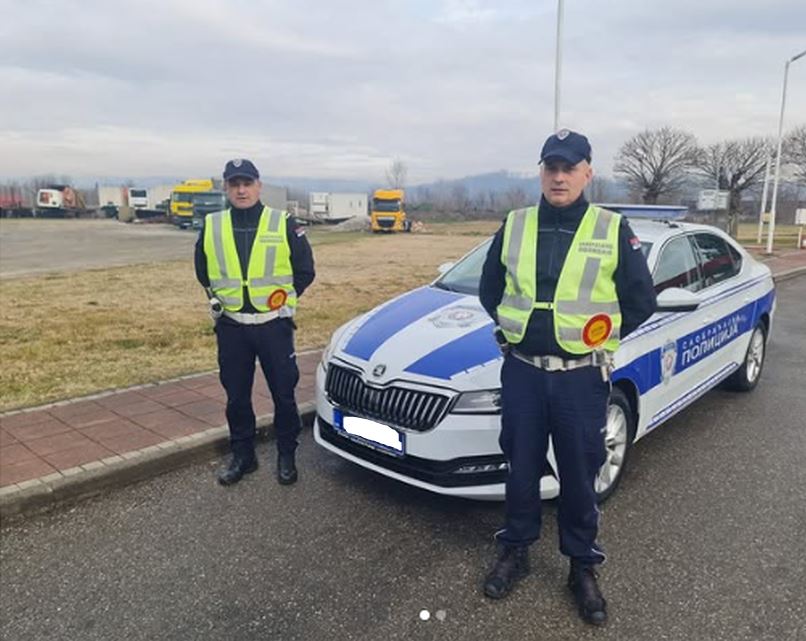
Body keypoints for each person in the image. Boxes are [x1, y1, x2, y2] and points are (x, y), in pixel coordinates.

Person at [478, 129, 657, 625]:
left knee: (580, 471)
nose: (559, 177)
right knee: (521, 466)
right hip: (523, 373)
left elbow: (640, 300)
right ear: (541, 172)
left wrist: (597, 334)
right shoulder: (514, 224)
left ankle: (582, 564)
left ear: (587, 173)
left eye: (569, 168)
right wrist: (525, 330)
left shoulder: (611, 228)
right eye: (551, 167)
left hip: (581, 377)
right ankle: (515, 549)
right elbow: (490, 290)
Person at [195, 159, 315, 486]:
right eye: (234, 184)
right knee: (236, 397)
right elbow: (202, 271)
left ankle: (286, 454)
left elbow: (305, 270)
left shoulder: (283, 223)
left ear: (259, 185)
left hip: (273, 326)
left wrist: (285, 301)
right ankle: (243, 456)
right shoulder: (212, 225)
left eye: (247, 183)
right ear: (226, 188)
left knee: (284, 395)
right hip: (232, 327)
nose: (241, 190)